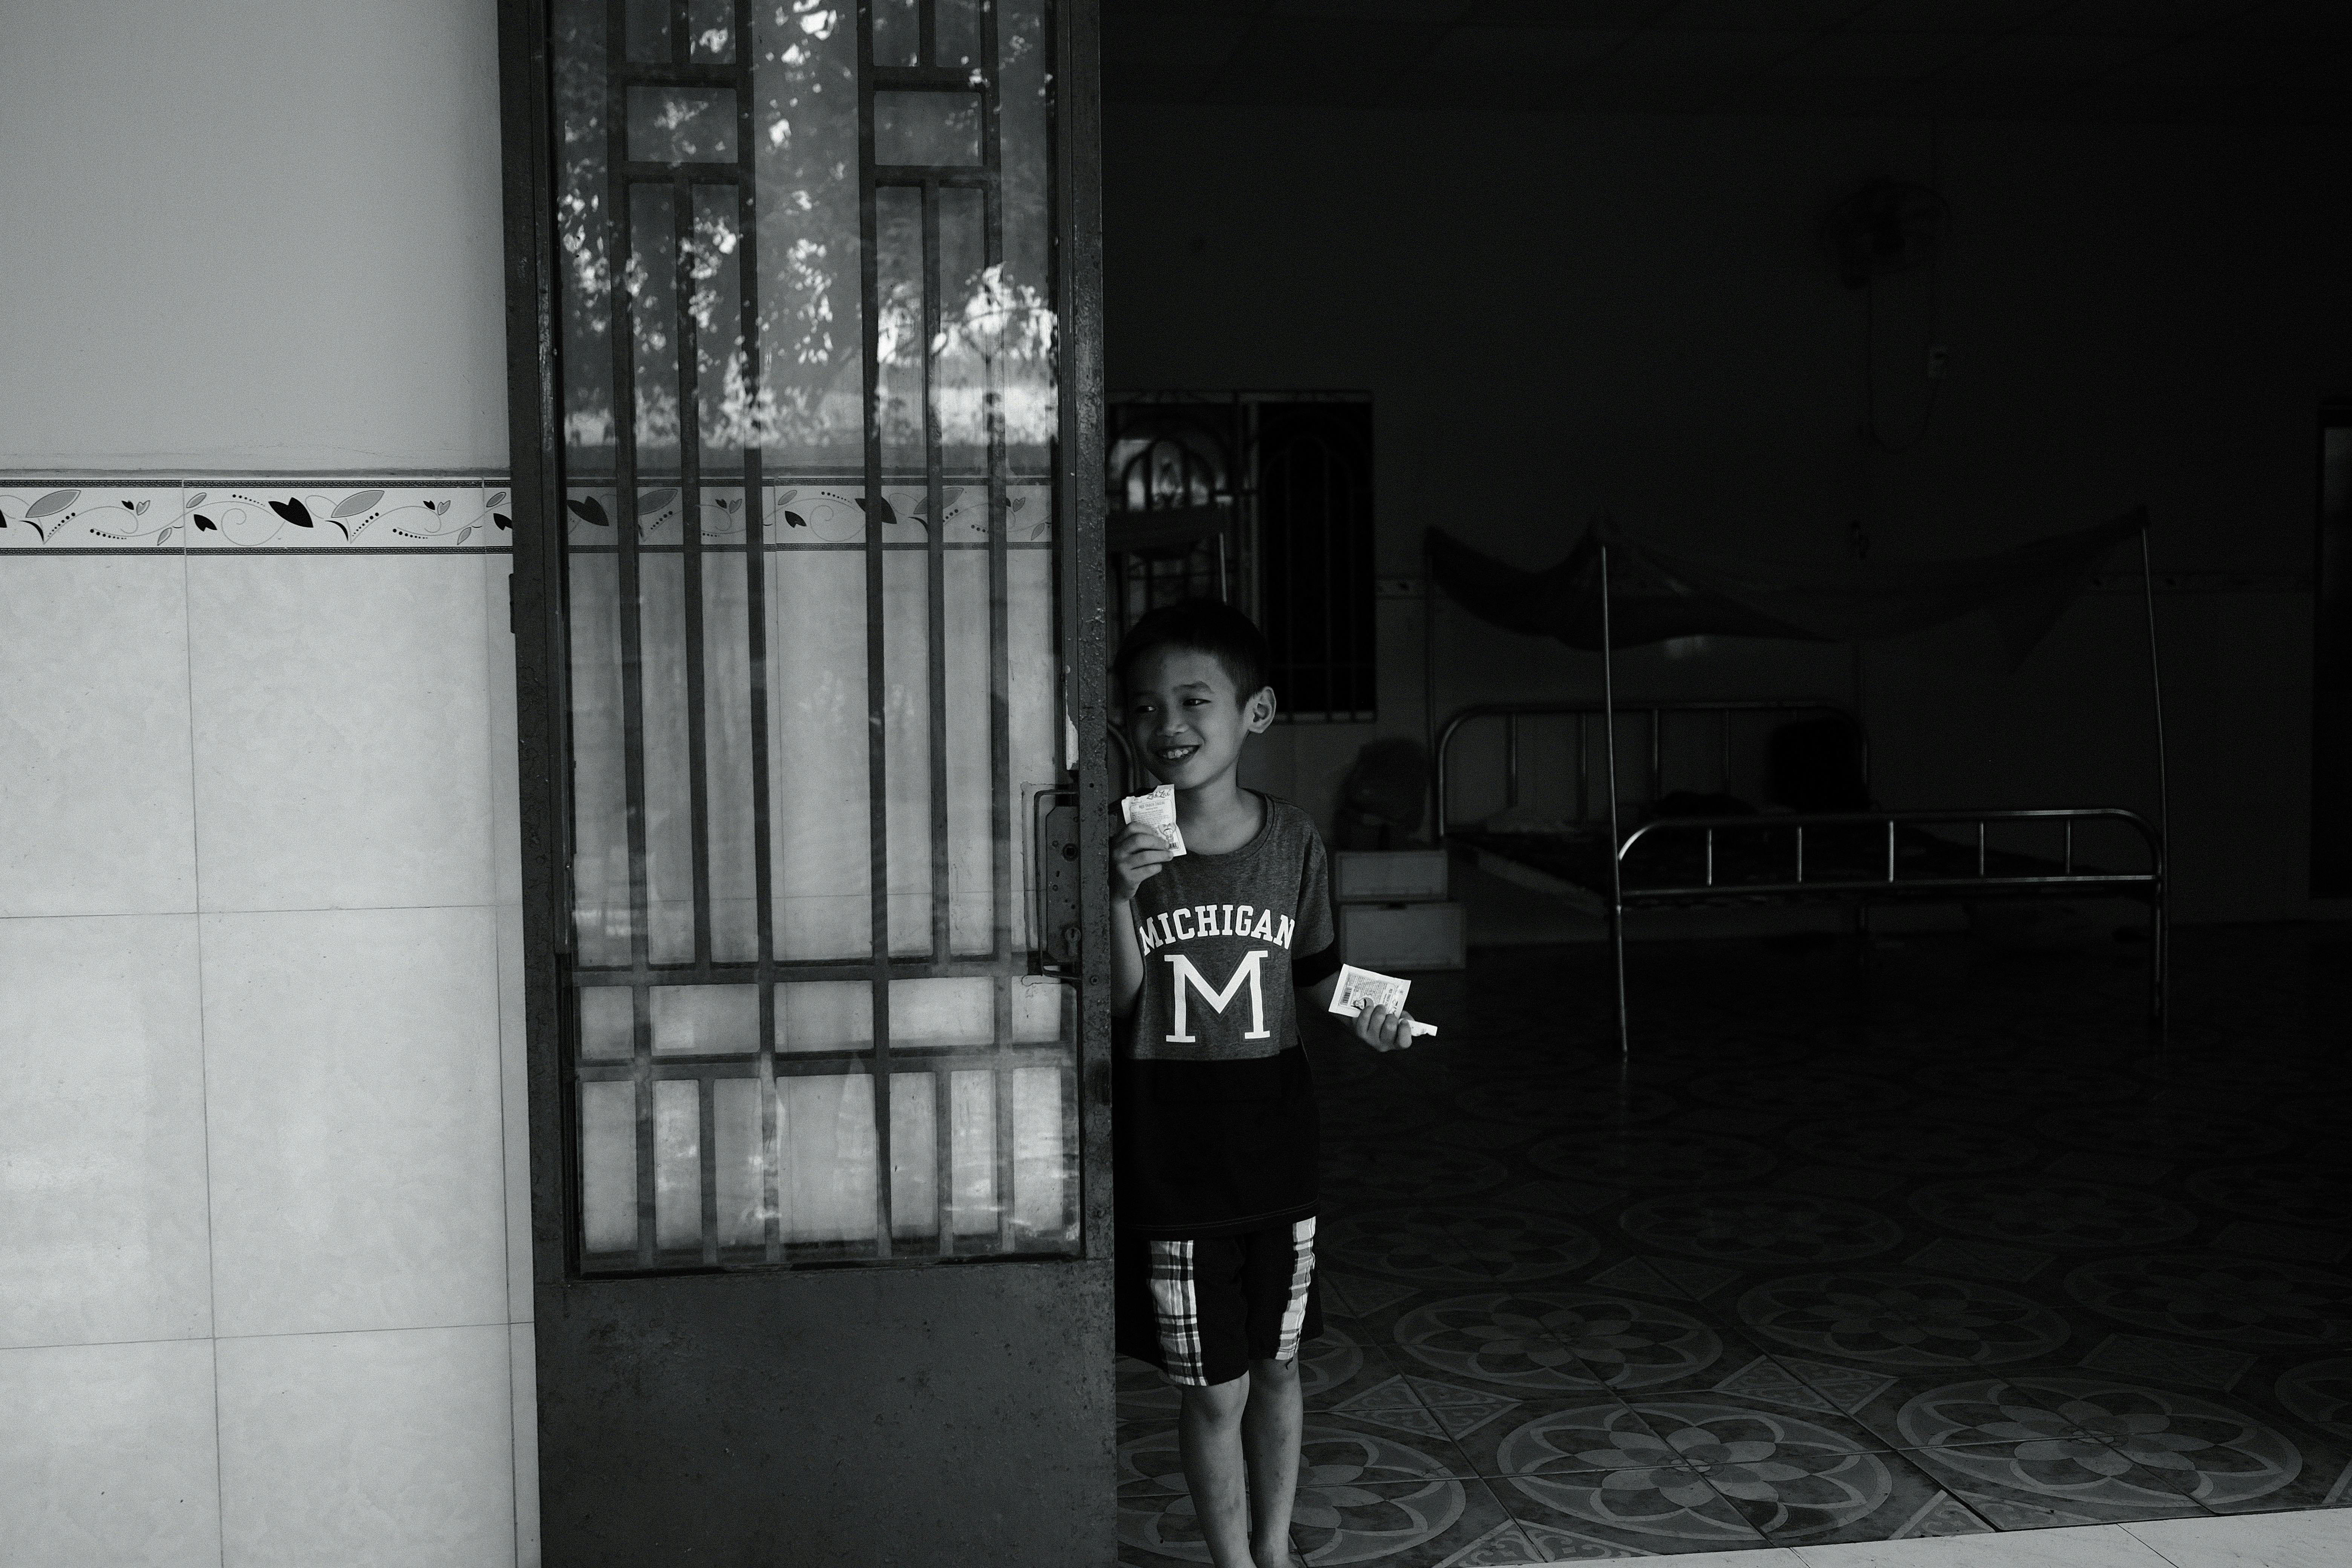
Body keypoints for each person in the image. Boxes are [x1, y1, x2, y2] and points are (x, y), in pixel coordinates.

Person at [1110, 600, 1423, 1568]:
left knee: (1277, 1366)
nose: (1169, 725)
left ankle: (1276, 1549)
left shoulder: (1293, 842)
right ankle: (1234, 1565)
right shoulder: (1127, 852)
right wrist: (1122, 895)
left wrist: (1382, 1016)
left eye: (1194, 700)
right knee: (1210, 1388)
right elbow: (1125, 1012)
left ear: (1258, 712)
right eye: (1147, 707)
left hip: (1277, 1155)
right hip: (1174, 1158)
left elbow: (1320, 977)